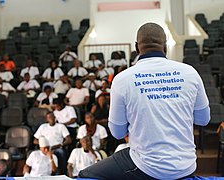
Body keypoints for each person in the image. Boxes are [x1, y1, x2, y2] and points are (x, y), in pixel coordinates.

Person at [78, 22, 210, 179]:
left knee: (86, 175)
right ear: (165, 46)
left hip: (145, 167)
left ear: (136, 47)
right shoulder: (190, 73)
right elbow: (203, 120)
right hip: (185, 167)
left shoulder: (122, 79)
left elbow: (117, 132)